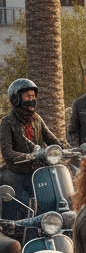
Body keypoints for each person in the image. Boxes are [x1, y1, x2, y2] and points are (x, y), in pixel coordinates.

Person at [0, 78, 65, 212]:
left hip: (40, 171)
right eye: (28, 96)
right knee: (21, 207)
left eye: (33, 96)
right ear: (16, 99)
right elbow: (7, 152)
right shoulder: (7, 122)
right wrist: (31, 156)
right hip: (18, 174)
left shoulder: (37, 119)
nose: (32, 99)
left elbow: (53, 141)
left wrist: (70, 150)